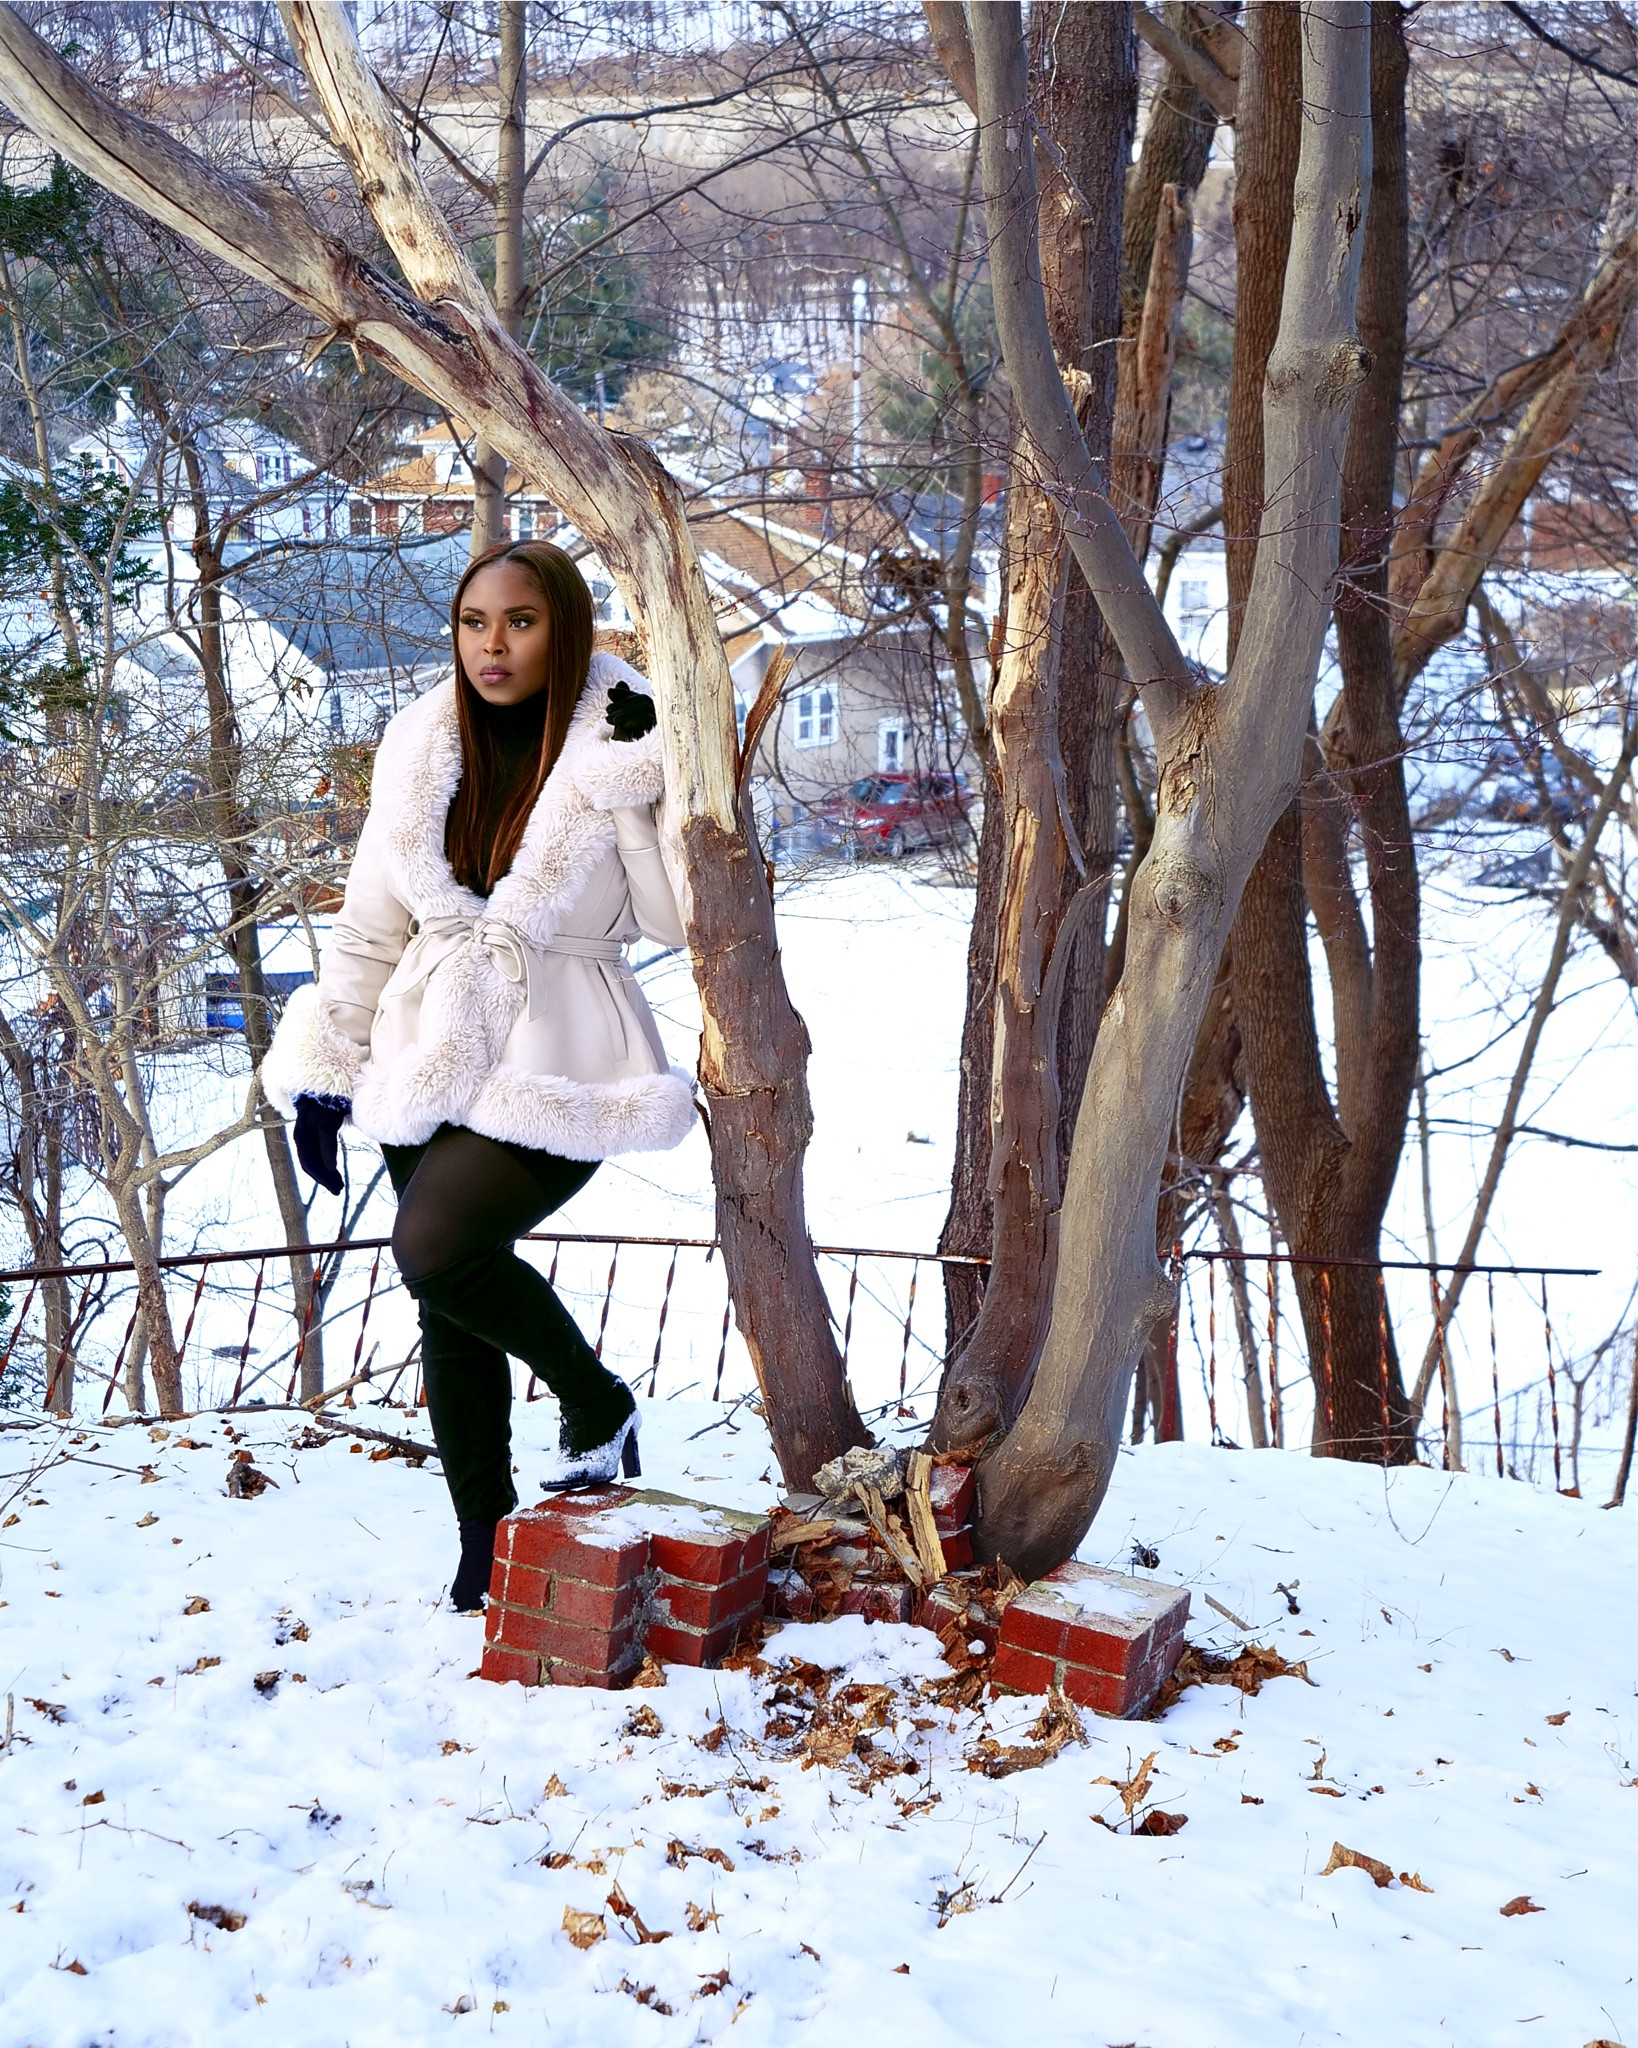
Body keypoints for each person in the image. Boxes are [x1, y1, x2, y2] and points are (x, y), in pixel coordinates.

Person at [263, 540, 693, 1612]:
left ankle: (598, 1400)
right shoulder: (418, 743)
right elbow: (369, 926)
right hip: (424, 1042)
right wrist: (325, 1066)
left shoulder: (626, 732)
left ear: (567, 627)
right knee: (446, 1304)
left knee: (435, 1244)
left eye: (520, 622)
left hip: (565, 1048)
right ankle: (482, 1540)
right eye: (472, 622)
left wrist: (635, 789)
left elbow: (674, 918)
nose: (492, 646)